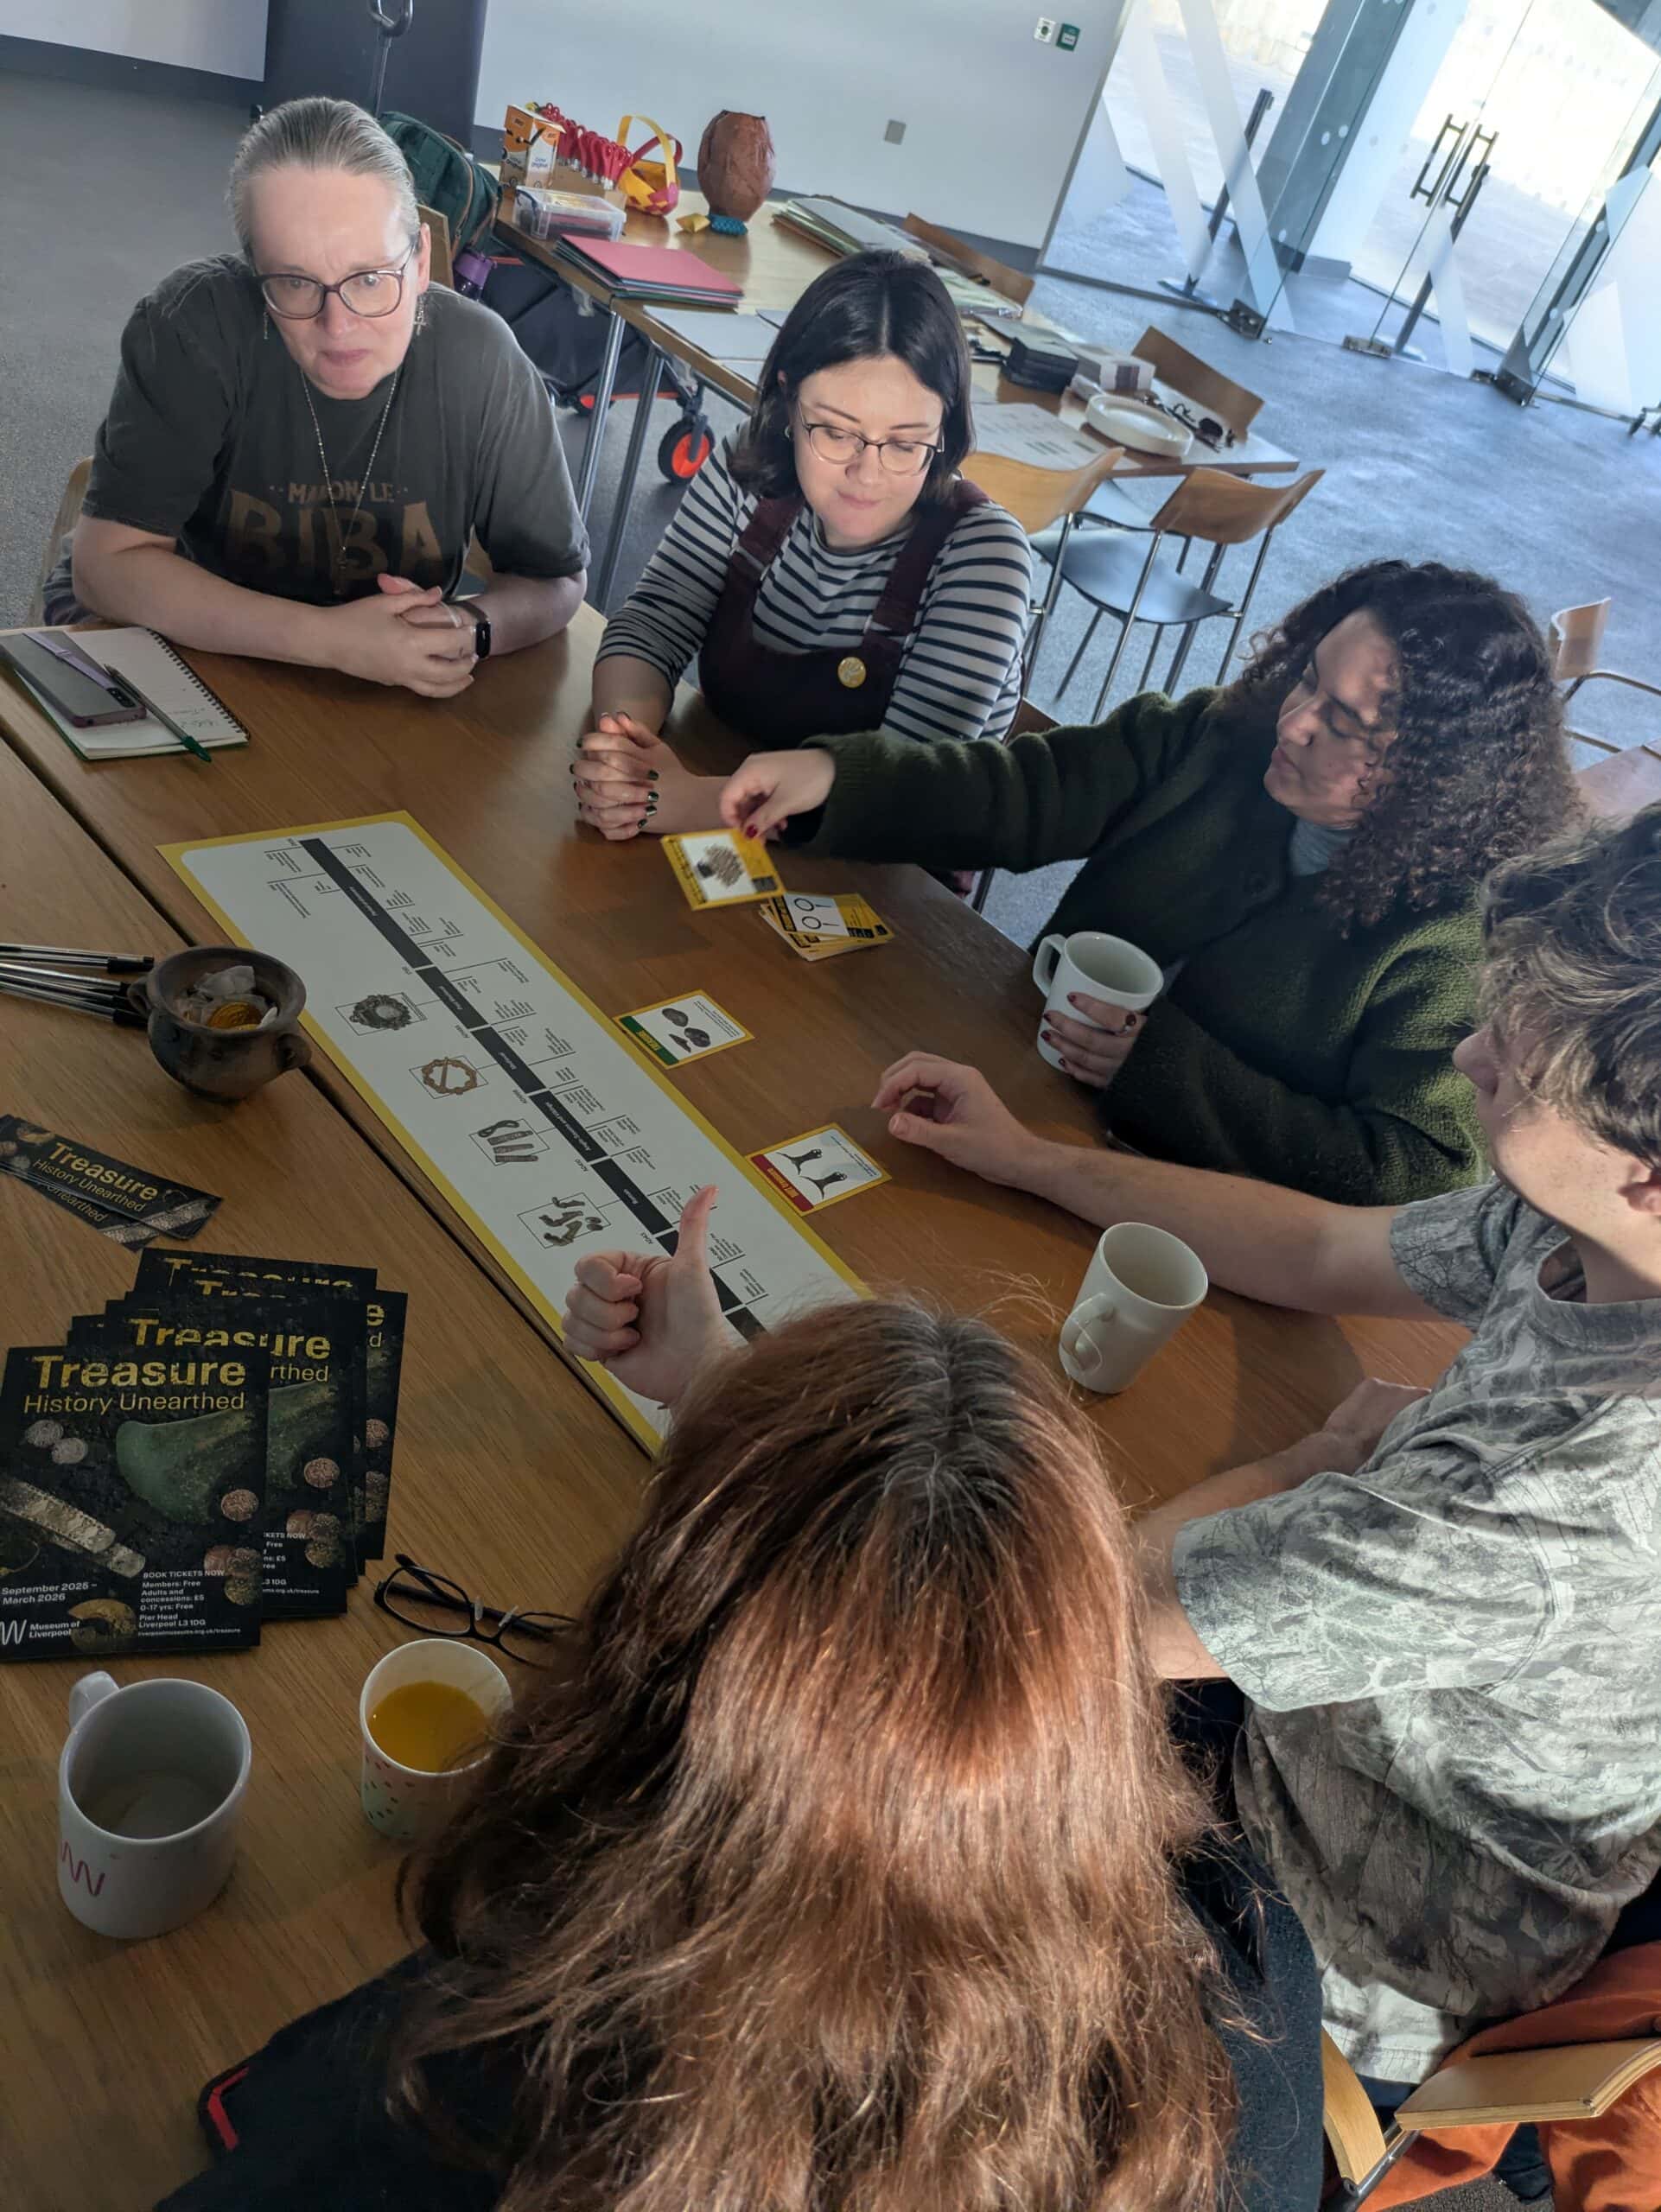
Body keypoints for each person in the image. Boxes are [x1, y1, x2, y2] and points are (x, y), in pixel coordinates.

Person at [156, 1202, 1323, 2212]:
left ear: (654, 1686)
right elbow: (954, 1621)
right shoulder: (1238, 1975)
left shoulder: (502, 2089)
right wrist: (725, 1398)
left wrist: (741, 1456)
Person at [759, 802, 1658, 2102]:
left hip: (1312, 1943)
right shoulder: (1580, 1229)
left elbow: (1070, 1620)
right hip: (1297, 1722)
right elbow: (1317, 1249)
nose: (1466, 1055)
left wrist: (718, 1396)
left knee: (833, 1797)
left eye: (1512, 1064)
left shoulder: (1564, 1501)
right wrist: (1033, 1158)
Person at [706, 560, 1578, 1204]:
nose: (1295, 719)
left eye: (1344, 724)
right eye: (1307, 676)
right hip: (1005, 1093)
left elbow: (1414, 1165)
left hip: (1179, 1222)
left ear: (1434, 779)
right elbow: (1021, 792)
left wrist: (1157, 1067)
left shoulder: (1453, 934)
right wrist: (838, 779)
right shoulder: (1215, 735)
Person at [53, 98, 587, 698]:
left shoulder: (482, 361)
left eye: (370, 279)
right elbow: (106, 567)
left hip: (380, 685)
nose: (339, 327)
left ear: (421, 264)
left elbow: (555, 579)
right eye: (294, 282)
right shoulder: (191, 328)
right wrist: (330, 640)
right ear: (253, 269)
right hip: (187, 650)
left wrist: (469, 628)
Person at [572, 249, 1034, 835]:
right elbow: (658, 619)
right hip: (712, 816)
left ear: (947, 426)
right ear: (787, 398)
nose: (867, 474)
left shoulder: (984, 560)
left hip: (882, 879)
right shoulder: (752, 465)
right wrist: (623, 746)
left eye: (904, 443)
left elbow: (900, 784)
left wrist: (683, 802)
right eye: (835, 432)